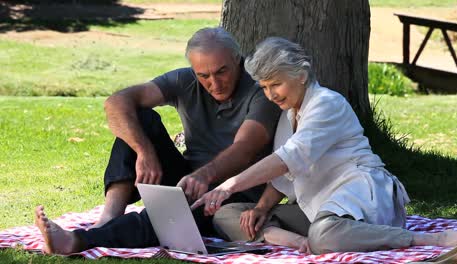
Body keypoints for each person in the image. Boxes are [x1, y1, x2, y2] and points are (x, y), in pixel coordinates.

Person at [191, 37, 457, 254]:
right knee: (227, 215)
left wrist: (228, 185)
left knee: (325, 233)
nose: (270, 94)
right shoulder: (289, 114)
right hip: (320, 208)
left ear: (300, 75)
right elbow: (283, 178)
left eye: (276, 84)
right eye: (264, 87)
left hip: (362, 195)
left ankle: (426, 239)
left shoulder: (327, 103)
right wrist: (261, 209)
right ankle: (300, 242)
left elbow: (288, 158)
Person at [34, 27, 281, 255]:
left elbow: (244, 149)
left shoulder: (260, 91)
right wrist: (144, 151)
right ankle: (109, 217)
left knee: (167, 218)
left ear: (238, 60)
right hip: (188, 180)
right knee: (140, 120)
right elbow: (117, 102)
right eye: (203, 75)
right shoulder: (185, 81)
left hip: (234, 194)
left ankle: (79, 241)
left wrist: (205, 176)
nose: (213, 83)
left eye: (221, 72)